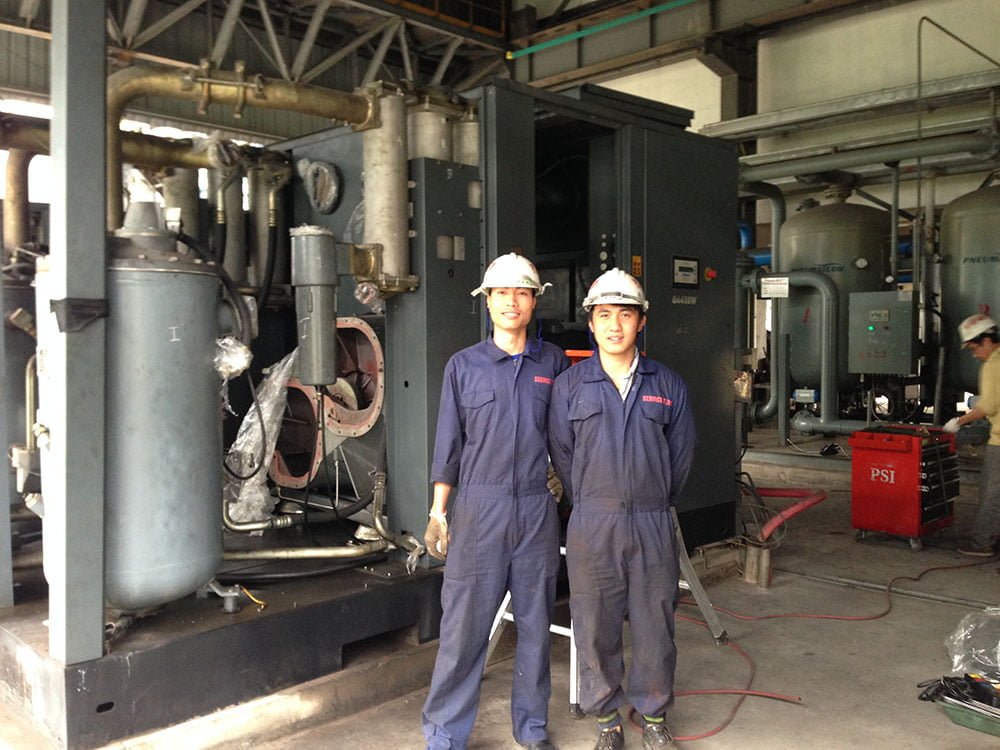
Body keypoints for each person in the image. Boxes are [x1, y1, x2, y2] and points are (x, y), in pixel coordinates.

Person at [421, 252, 570, 750]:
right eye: (502, 293)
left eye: (522, 293)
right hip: (478, 510)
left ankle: (532, 729)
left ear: (534, 301)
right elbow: (448, 445)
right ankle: (445, 733)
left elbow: (565, 435)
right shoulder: (463, 366)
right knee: (463, 629)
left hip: (535, 509)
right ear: (487, 301)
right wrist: (438, 513)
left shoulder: (552, 363)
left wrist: (564, 481)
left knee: (535, 627)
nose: (512, 302)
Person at [548, 269, 695, 750]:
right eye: (605, 315)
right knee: (595, 624)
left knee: (655, 623)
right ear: (591, 323)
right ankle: (607, 721)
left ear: (641, 321)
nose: (615, 325)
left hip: (652, 519)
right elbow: (563, 456)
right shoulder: (570, 386)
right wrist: (595, 499)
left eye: (626, 315)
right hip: (593, 521)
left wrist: (653, 498)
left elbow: (681, 457)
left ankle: (653, 717)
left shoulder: (667, 384)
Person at [943, 313, 1000, 557]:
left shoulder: (993, 365)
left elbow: (988, 406)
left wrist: (958, 422)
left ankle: (981, 543)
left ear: (986, 340)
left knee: (991, 493)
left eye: (974, 348)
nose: (974, 355)